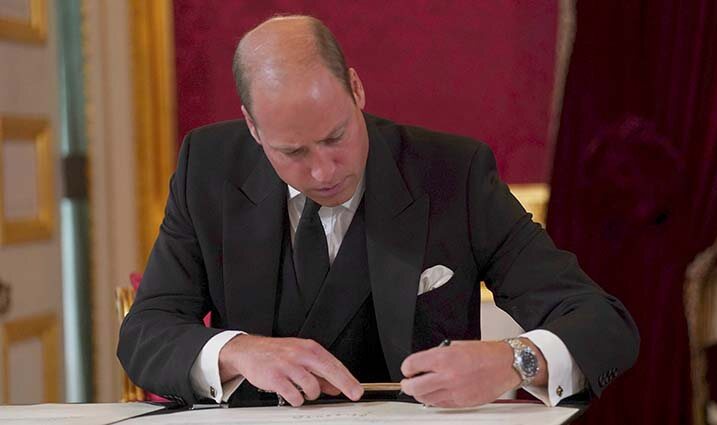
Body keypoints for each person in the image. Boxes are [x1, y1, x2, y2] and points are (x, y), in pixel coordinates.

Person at [117, 15, 639, 409]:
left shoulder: (451, 174)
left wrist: (515, 360)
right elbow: (144, 334)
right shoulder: (207, 168)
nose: (322, 171)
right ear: (253, 129)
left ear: (357, 89)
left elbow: (606, 326)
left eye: (335, 137)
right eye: (292, 152)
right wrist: (239, 351)